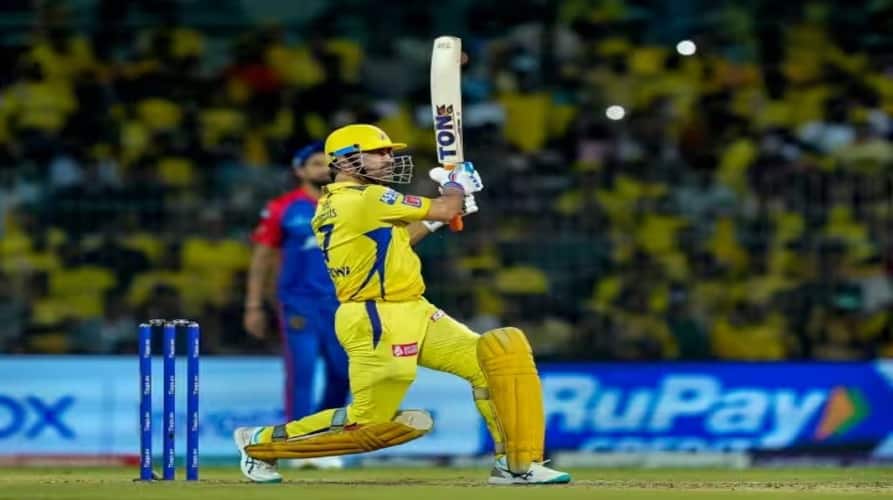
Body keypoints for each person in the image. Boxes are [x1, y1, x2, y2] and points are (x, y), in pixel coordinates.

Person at [234, 124, 570, 485]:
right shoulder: (364, 198)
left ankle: (516, 464)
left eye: (389, 152)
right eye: (378, 152)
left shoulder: (355, 201)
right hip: (376, 316)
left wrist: (442, 213)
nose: (388, 159)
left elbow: (398, 241)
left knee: (496, 358)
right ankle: (259, 443)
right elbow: (445, 208)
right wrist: (455, 186)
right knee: (368, 424)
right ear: (344, 161)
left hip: (413, 308)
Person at [243, 141, 350, 468]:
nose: (324, 169)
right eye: (316, 163)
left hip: (344, 304)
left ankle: (325, 441)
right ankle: (299, 444)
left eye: (328, 163)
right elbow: (262, 257)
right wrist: (253, 305)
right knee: (301, 372)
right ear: (299, 170)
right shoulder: (283, 208)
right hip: (299, 304)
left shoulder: (350, 204)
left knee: (343, 373)